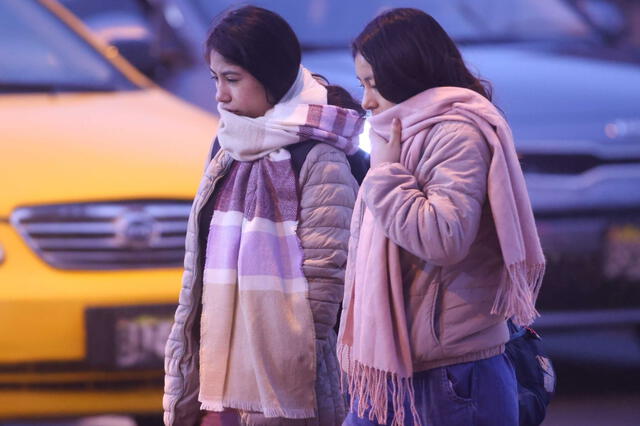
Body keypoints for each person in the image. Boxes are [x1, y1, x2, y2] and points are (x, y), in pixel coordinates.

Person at [337, 8, 546, 426]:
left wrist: (384, 175)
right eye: (362, 84)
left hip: (452, 373)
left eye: (374, 85)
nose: (366, 101)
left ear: (407, 75)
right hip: (407, 366)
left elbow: (444, 237)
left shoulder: (456, 132)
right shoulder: (408, 130)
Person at [163, 6, 365, 426]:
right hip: (219, 363)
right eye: (216, 79)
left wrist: (281, 358)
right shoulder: (227, 145)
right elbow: (199, 262)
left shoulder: (318, 155)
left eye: (232, 79)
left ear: (272, 77)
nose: (220, 95)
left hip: (286, 376)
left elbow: (325, 276)